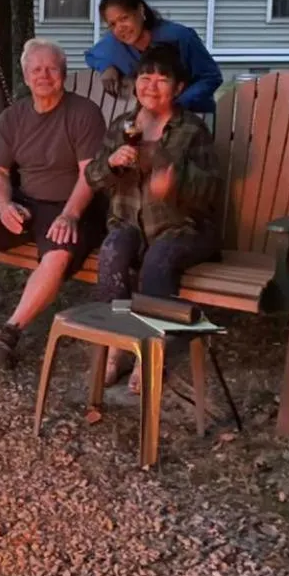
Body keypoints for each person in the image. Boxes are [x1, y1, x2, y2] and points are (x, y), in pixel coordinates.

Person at [0, 38, 107, 365]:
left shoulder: (84, 113)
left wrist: (71, 215)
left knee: (57, 254)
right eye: (37, 69)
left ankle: (11, 332)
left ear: (64, 74)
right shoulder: (13, 118)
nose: (44, 75)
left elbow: (91, 174)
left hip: (74, 207)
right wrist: (3, 206)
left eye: (52, 69)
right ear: (26, 76)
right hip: (28, 203)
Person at [85, 44, 223, 392]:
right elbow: (94, 179)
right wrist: (112, 165)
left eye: (162, 80)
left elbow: (212, 191)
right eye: (145, 78)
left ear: (177, 88)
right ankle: (117, 347)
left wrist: (177, 184)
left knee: (158, 263)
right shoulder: (122, 126)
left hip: (183, 229)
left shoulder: (191, 131)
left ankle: (151, 353)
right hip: (129, 224)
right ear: (135, 83)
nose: (151, 86)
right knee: (113, 251)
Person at [84, 0, 222, 114]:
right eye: (112, 24)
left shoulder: (179, 36)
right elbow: (92, 55)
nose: (120, 28)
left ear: (141, 10)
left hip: (194, 115)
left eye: (124, 18)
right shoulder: (114, 42)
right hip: (150, 120)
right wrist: (106, 67)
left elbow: (211, 76)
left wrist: (178, 104)